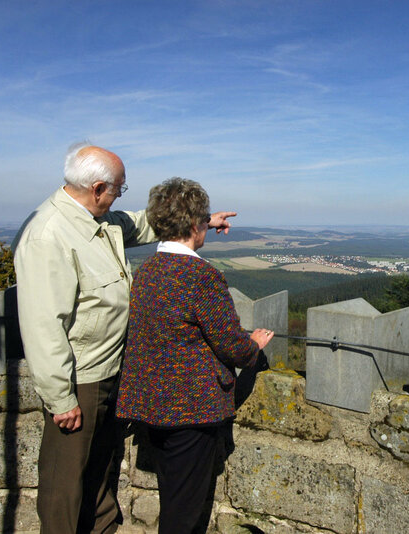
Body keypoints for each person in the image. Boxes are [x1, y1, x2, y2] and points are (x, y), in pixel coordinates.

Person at [13, 143, 236, 534]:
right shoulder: (49, 235)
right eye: (119, 188)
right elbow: (43, 324)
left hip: (111, 369)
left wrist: (200, 220)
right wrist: (60, 397)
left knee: (99, 465)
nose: (120, 195)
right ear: (98, 188)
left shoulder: (97, 220)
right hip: (79, 378)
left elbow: (141, 223)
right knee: (64, 480)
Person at [115, 177, 273, 533]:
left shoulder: (147, 272)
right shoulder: (201, 276)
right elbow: (230, 343)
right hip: (189, 411)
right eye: (203, 220)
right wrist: (255, 347)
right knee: (184, 514)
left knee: (173, 496)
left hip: (150, 405)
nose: (206, 225)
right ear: (193, 226)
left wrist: (204, 218)